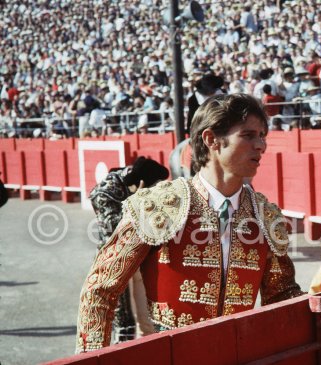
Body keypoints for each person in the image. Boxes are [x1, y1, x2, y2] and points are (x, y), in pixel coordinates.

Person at [76, 93, 303, 353]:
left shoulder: (265, 215)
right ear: (211, 140)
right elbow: (100, 289)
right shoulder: (160, 205)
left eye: (263, 135)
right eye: (249, 135)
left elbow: (282, 296)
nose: (261, 144)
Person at [89, 156, 170, 343]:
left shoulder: (138, 182)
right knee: (122, 318)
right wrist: (137, 204)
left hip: (141, 256)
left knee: (148, 315)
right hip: (114, 259)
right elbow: (114, 230)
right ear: (142, 184)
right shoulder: (105, 192)